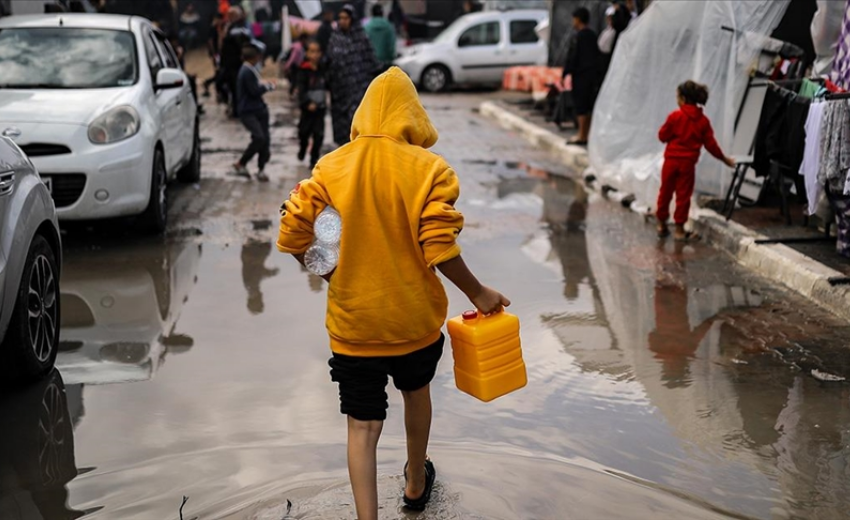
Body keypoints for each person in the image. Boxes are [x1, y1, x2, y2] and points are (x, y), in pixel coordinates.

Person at [276, 67, 510, 520]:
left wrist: (331, 275)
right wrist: (478, 292)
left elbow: (292, 233)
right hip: (414, 322)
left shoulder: (330, 166)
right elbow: (438, 246)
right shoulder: (431, 170)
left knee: (362, 426)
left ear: (362, 115)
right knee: (416, 392)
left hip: (354, 323)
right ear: (413, 117)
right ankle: (416, 483)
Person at [656, 80, 735, 241]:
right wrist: (724, 159)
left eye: (677, 97)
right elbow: (711, 145)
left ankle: (662, 224)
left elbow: (662, 136)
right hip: (688, 165)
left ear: (683, 99)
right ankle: (679, 230)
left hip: (670, 162)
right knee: (683, 196)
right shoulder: (703, 121)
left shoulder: (675, 116)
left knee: (665, 192)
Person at [326, 4, 378, 146]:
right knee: (341, 129)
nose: (342, 21)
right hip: (339, 91)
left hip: (358, 89)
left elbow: (371, 62)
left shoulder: (362, 38)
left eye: (346, 18)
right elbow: (329, 62)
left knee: (356, 123)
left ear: (352, 19)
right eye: (340, 18)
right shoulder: (335, 38)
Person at [233, 44, 277, 182]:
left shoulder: (249, 70)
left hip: (257, 110)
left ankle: (261, 168)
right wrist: (268, 87)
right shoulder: (246, 71)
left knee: (264, 139)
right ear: (256, 57)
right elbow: (254, 91)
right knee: (260, 138)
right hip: (249, 110)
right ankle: (242, 162)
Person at [562, 8, 600, 146]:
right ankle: (586, 135)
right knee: (588, 106)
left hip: (581, 76)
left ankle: (581, 135)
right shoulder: (593, 35)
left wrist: (566, 72)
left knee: (581, 107)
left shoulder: (578, 37)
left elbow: (573, 57)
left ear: (578, 19)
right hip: (592, 76)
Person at [296, 40, 328, 168]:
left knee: (318, 135)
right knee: (304, 132)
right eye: (311, 51)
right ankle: (303, 148)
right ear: (307, 53)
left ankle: (313, 159)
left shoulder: (323, 69)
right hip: (307, 109)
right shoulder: (303, 71)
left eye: (317, 52)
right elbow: (301, 90)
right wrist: (307, 103)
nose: (314, 55)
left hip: (320, 108)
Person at [221, 6, 253, 117]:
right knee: (231, 86)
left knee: (237, 87)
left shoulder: (239, 29)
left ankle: (239, 109)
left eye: (230, 15)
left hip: (236, 64)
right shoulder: (231, 27)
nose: (228, 17)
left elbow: (242, 45)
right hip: (230, 63)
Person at [365, 3, 397, 72]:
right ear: (382, 13)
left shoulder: (366, 27)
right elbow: (391, 46)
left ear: (372, 13)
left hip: (370, 65)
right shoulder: (389, 27)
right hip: (386, 63)